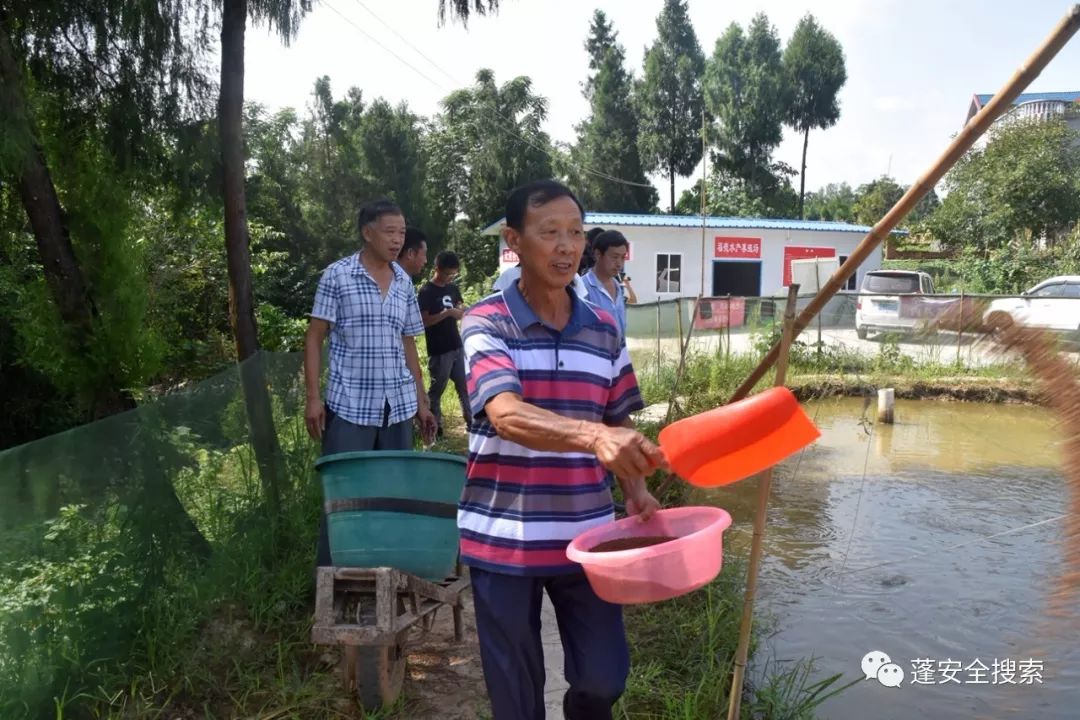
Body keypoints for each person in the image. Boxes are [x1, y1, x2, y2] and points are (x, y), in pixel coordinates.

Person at [459, 179, 666, 720]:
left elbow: (615, 415)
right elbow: (504, 413)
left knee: (603, 678)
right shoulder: (485, 321)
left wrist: (636, 489)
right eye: (549, 232)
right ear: (515, 240)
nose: (566, 246)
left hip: (588, 535)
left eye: (575, 233)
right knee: (517, 697)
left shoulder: (603, 327)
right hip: (504, 538)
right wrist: (594, 437)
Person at [303, 198, 437, 567]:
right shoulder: (338, 275)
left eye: (402, 232)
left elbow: (408, 344)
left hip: (396, 407)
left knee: (392, 497)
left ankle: (383, 576)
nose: (397, 240)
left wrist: (422, 403)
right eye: (390, 231)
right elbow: (314, 337)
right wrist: (313, 398)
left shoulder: (404, 283)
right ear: (367, 232)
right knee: (343, 498)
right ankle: (333, 586)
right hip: (349, 406)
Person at [417, 250, 473, 437]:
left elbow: (459, 306)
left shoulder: (452, 288)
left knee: (465, 385)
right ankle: (436, 427)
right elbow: (424, 321)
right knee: (437, 389)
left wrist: (465, 311)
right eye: (447, 274)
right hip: (439, 349)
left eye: (453, 274)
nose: (450, 278)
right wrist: (447, 314)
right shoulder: (426, 292)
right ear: (437, 269)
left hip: (456, 344)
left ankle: (472, 422)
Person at [581, 229, 637, 340]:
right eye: (614, 257)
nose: (619, 264)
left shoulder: (618, 287)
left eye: (623, 258)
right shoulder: (583, 288)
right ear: (598, 254)